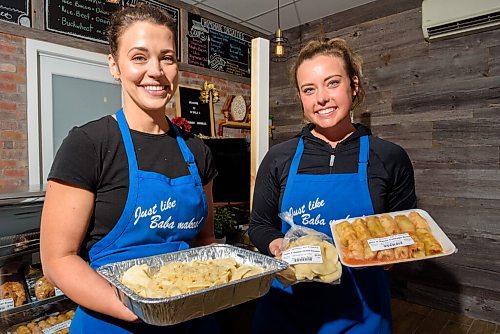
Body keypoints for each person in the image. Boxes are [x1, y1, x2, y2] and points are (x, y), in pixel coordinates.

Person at [40, 5, 219, 333]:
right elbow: (57, 260)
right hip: (113, 320)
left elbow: (205, 242)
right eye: (139, 57)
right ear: (114, 66)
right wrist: (140, 308)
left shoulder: (197, 151)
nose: (156, 71)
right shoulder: (88, 145)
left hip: (192, 319)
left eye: (167, 57)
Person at [248, 38, 416, 334]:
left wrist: (393, 253)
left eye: (332, 83)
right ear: (301, 97)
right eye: (309, 89)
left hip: (362, 309)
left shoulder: (389, 157)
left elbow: (404, 228)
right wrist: (280, 248)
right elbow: (260, 225)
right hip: (288, 305)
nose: (321, 98)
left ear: (354, 85)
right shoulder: (279, 157)